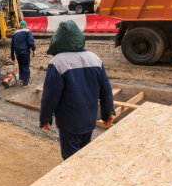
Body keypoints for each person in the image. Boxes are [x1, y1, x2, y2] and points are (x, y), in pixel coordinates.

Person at [39, 20, 115, 160]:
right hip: (89, 119)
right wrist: (108, 111)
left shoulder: (58, 62)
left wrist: (45, 118)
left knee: (70, 157)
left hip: (69, 123)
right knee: (83, 153)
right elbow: (105, 89)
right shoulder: (94, 59)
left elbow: (50, 95)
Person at [10, 20, 36, 87]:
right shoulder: (27, 31)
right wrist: (34, 49)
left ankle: (21, 78)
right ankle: (26, 83)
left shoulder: (15, 33)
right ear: (25, 25)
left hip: (17, 52)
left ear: (20, 26)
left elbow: (12, 45)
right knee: (26, 66)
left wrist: (12, 55)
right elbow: (30, 41)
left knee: (21, 65)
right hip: (25, 51)